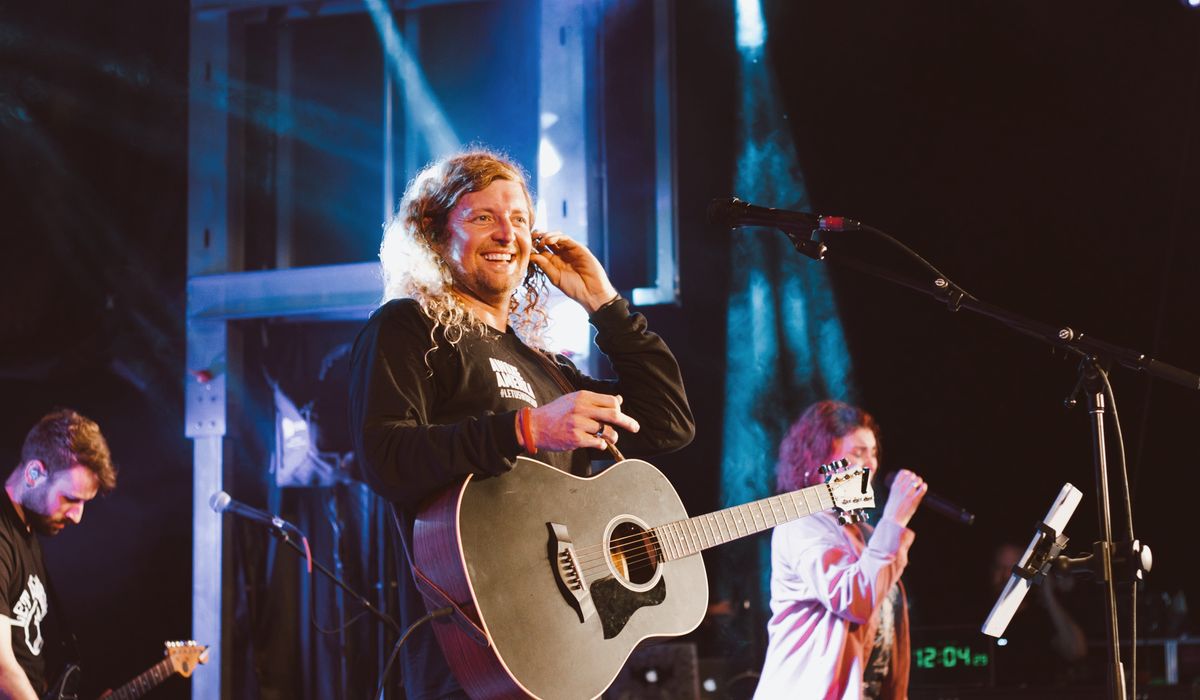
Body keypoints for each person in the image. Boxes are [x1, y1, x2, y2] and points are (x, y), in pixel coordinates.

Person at [348, 149, 695, 699]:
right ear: (436, 235)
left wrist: (604, 304)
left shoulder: (548, 367)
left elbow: (667, 423)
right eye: (482, 217)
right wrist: (526, 431)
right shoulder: (407, 326)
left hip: (564, 659)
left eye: (520, 220)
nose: (506, 233)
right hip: (466, 666)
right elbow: (386, 457)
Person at [754, 401, 926, 700]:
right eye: (857, 453)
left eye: (873, 453)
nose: (870, 464)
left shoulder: (867, 534)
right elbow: (855, 599)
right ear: (819, 459)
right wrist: (894, 520)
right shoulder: (800, 524)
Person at [0, 409, 117, 699]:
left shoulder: (27, 536)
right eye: (70, 499)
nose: (77, 516)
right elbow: (2, 668)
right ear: (34, 473)